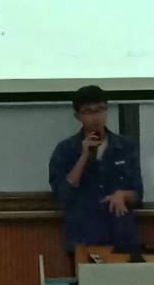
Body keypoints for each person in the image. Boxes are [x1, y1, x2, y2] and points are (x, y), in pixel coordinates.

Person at [48, 85, 144, 258]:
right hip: (83, 238)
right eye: (88, 111)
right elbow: (63, 195)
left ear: (107, 111)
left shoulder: (125, 146)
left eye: (100, 110)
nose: (95, 117)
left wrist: (123, 195)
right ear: (78, 116)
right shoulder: (66, 149)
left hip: (121, 237)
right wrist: (84, 155)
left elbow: (138, 193)